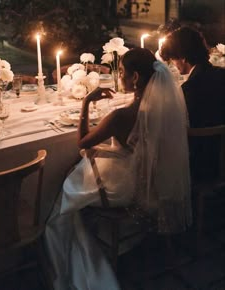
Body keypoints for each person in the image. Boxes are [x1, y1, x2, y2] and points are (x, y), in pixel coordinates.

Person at [44, 48, 192, 290]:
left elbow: (82, 142)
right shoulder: (165, 109)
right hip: (152, 183)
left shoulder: (120, 116)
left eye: (121, 72)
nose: (119, 76)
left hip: (123, 189)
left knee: (68, 190)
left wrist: (87, 102)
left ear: (135, 78)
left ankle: (83, 255)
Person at [160, 26, 225, 180]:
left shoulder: (189, 89)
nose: (174, 65)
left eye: (173, 59)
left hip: (203, 163)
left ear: (182, 57)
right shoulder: (222, 74)